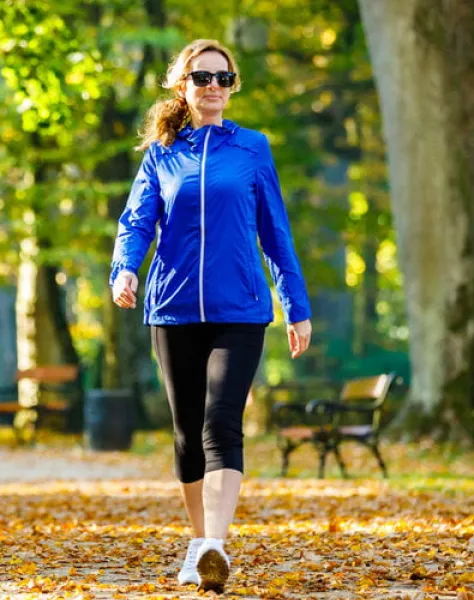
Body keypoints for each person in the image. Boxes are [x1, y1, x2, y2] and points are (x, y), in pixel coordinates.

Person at [109, 39, 313, 593]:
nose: (214, 87)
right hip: (172, 309)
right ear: (184, 86)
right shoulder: (162, 154)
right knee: (186, 435)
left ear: (233, 86)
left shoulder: (252, 149)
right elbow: (136, 223)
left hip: (241, 310)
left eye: (224, 78)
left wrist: (295, 305)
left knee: (222, 422)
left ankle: (216, 545)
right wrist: (124, 270)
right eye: (203, 78)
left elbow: (275, 233)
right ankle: (199, 543)